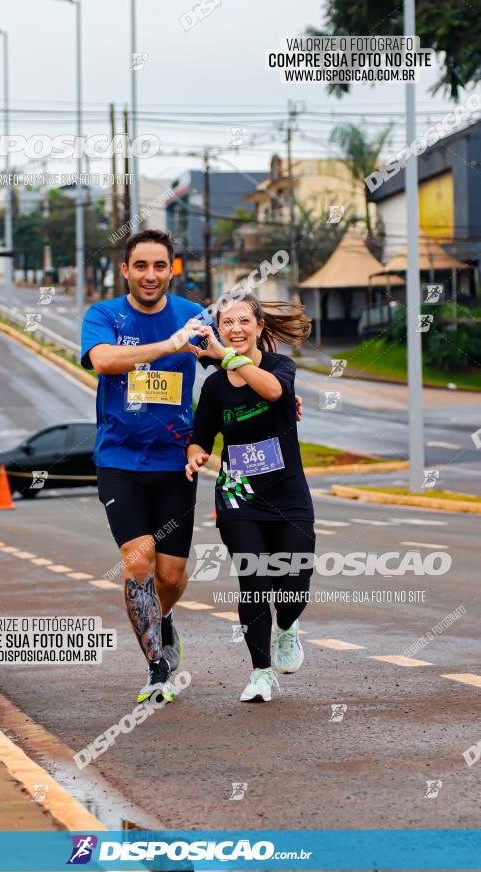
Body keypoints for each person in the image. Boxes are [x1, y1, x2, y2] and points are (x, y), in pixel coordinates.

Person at [80, 229, 218, 704]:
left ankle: (162, 617)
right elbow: (104, 362)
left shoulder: (193, 316)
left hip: (175, 463)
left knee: (172, 576)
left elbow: (226, 368)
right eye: (141, 266)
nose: (150, 275)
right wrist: (168, 346)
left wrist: (277, 387)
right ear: (126, 271)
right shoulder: (104, 315)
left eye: (160, 266)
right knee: (138, 561)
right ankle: (157, 667)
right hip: (119, 461)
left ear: (172, 269)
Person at [186, 293, 314, 702]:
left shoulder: (279, 367)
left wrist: (225, 355)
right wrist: (196, 454)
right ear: (219, 328)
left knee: (293, 586)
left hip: (288, 494)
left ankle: (288, 627)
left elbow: (274, 392)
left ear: (260, 327)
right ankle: (260, 673)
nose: (236, 328)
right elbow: (199, 437)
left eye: (244, 321)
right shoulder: (216, 387)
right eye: (227, 323)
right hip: (238, 496)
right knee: (254, 581)